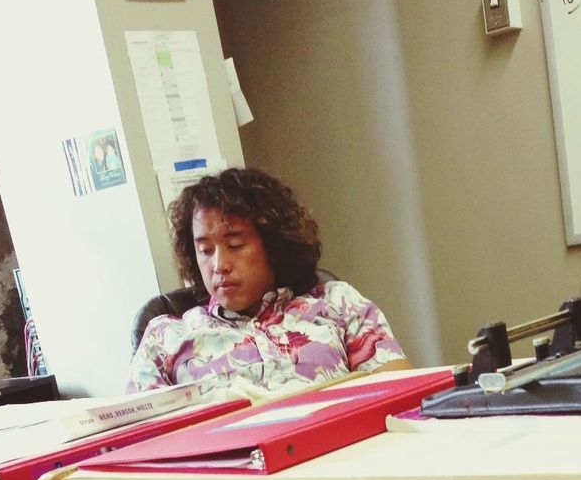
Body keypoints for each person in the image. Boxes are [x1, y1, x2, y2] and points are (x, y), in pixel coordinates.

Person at [127, 167, 411, 396]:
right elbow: (132, 446)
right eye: (205, 250)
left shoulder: (337, 304)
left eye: (235, 245)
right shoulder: (165, 338)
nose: (219, 265)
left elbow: (405, 394)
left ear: (273, 246)